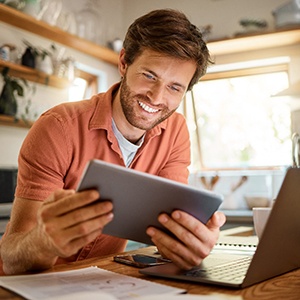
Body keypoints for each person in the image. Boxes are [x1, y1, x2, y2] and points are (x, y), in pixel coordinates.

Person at [0, 8, 226, 275]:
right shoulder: (57, 127)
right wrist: (43, 241)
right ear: (124, 63)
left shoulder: (175, 132)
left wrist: (188, 242)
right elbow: (13, 259)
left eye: (174, 87)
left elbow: (168, 232)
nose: (156, 97)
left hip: (105, 281)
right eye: (149, 75)